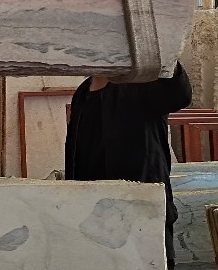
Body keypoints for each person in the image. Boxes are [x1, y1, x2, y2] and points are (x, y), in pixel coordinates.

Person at [64, 64, 193, 268]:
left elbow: (179, 94)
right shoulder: (83, 92)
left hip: (142, 216)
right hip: (94, 218)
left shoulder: (142, 84)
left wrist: (164, 56)